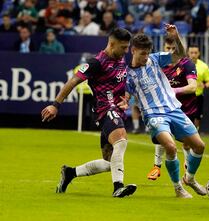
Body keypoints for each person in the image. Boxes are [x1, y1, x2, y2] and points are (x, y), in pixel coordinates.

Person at [40, 28, 137, 198]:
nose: (126, 51)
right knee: (121, 140)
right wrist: (56, 104)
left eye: (127, 47)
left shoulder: (120, 58)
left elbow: (122, 83)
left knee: (110, 162)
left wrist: (126, 98)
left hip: (117, 110)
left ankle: (70, 173)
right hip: (104, 109)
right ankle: (118, 188)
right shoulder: (96, 62)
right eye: (123, 47)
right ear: (112, 44)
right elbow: (74, 80)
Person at [124, 25, 206, 198]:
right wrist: (123, 102)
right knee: (170, 146)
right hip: (153, 115)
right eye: (142, 54)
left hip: (173, 109)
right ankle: (178, 188)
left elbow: (180, 54)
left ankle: (189, 179)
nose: (145, 57)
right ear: (133, 50)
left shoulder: (155, 59)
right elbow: (125, 95)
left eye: (147, 53)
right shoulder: (128, 74)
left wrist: (176, 37)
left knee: (199, 146)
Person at [146, 35, 198, 181]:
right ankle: (156, 166)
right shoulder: (158, 64)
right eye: (168, 48)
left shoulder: (187, 64)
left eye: (173, 49)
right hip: (164, 108)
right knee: (163, 136)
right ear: (163, 48)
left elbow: (193, 86)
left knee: (188, 143)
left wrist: (174, 91)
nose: (170, 52)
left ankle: (188, 167)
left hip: (185, 108)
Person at [187, 44, 209, 130]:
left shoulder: (203, 66)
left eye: (195, 52)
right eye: (191, 52)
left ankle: (194, 135)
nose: (193, 55)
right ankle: (185, 138)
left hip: (198, 96)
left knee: (197, 118)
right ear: (188, 53)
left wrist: (204, 85)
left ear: (199, 53)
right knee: (185, 117)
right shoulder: (182, 65)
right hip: (185, 96)